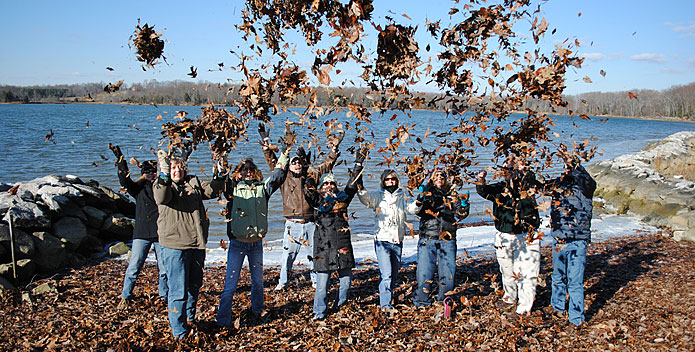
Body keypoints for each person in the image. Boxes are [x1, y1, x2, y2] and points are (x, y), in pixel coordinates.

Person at [258, 124, 343, 291]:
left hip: (310, 222)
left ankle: (316, 282)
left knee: (314, 255)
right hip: (292, 224)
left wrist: (334, 148)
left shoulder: (310, 176)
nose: (297, 165)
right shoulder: (284, 177)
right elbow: (274, 163)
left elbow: (326, 166)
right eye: (293, 162)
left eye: (299, 163)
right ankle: (282, 283)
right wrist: (267, 146)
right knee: (287, 256)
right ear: (289, 165)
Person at [153, 149, 224, 339]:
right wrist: (164, 171)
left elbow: (213, 189)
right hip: (175, 246)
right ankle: (179, 332)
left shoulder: (193, 182)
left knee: (194, 286)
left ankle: (190, 319)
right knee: (177, 290)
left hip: (196, 245)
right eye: (173, 168)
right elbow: (161, 197)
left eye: (180, 167)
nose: (178, 171)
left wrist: (220, 168)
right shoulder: (162, 186)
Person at [215, 151, 289, 327]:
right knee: (230, 284)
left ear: (256, 172)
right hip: (237, 244)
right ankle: (222, 319)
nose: (248, 172)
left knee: (258, 281)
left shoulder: (263, 189)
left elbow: (278, 176)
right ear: (239, 172)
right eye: (244, 170)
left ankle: (257, 310)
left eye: (251, 170)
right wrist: (222, 158)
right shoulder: (233, 189)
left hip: (256, 244)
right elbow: (220, 179)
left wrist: (284, 154)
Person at [476, 156, 541, 315]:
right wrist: (480, 179)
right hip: (504, 236)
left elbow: (537, 183)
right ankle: (510, 296)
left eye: (511, 169)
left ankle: (525, 306)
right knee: (507, 270)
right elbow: (483, 190)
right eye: (504, 169)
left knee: (527, 272)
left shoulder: (528, 185)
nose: (507, 172)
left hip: (527, 236)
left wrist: (524, 168)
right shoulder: (500, 188)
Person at [303, 150, 364, 320]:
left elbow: (352, 184)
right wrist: (307, 169)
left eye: (332, 183)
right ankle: (319, 312)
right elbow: (307, 189)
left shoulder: (343, 199)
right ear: (321, 187)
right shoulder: (316, 201)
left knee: (346, 283)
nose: (329, 185)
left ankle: (340, 306)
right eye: (325, 183)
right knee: (322, 286)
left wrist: (358, 164)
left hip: (343, 245)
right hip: (323, 248)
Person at [111, 144, 167, 307]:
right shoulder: (137, 189)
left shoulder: (163, 188)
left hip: (161, 233)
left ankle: (164, 296)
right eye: (147, 171)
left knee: (164, 269)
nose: (150, 174)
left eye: (153, 171)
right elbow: (124, 180)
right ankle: (126, 295)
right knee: (134, 267)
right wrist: (121, 160)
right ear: (143, 174)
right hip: (141, 233)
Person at [542, 158, 596, 326]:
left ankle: (576, 318)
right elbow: (538, 187)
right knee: (558, 277)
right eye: (565, 167)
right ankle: (557, 309)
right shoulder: (558, 184)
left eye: (570, 167)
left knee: (575, 281)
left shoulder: (585, 187)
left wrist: (575, 166)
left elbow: (588, 181)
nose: (567, 170)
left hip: (577, 240)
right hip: (559, 239)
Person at [407, 167, 470, 307]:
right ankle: (421, 300)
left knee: (448, 271)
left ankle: (444, 299)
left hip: (447, 237)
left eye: (442, 176)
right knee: (424, 272)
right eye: (436, 176)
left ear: (446, 178)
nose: (439, 178)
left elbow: (461, 215)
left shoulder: (452, 195)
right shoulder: (426, 193)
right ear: (431, 178)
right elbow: (414, 211)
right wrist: (420, 198)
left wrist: (464, 205)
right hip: (427, 237)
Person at [357, 165, 409, 310]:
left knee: (393, 274)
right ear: (383, 181)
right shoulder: (378, 196)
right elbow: (365, 198)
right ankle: (385, 305)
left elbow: (411, 209)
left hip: (397, 240)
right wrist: (359, 185)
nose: (391, 181)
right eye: (387, 179)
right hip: (382, 241)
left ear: (397, 180)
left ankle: (389, 297)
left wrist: (419, 201)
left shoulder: (402, 195)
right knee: (386, 274)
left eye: (393, 179)